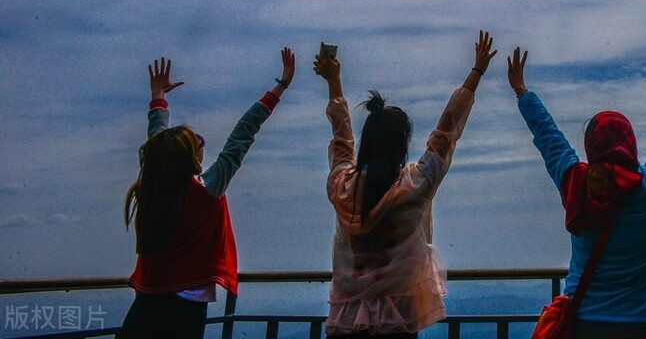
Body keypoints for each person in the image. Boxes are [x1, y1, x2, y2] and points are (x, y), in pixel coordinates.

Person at [507, 34, 646, 339]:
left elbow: (549, 138)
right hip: (642, 325)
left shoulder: (576, 183)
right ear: (630, 143)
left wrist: (521, 91)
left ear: (592, 146)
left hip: (583, 324)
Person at [316, 31, 497, 338]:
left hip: (346, 318)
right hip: (397, 318)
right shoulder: (414, 186)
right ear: (402, 146)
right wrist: (476, 72)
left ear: (367, 143)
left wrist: (334, 82)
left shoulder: (342, 187)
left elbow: (341, 139)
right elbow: (446, 133)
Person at [120, 49, 296, 339]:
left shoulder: (152, 182)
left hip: (146, 300)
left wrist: (158, 96)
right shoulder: (206, 189)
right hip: (186, 306)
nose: (202, 145)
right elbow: (243, 132)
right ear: (192, 156)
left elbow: (157, 138)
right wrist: (282, 85)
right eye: (198, 142)